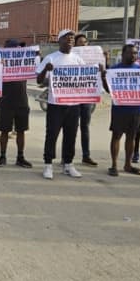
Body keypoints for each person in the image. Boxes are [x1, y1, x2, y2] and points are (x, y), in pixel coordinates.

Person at [36, 29, 86, 180]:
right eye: (67, 37)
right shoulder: (51, 58)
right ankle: (48, 165)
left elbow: (85, 79)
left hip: (74, 104)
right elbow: (39, 81)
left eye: (72, 37)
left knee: (71, 135)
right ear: (59, 41)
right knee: (52, 134)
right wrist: (46, 70)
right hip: (56, 104)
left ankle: (68, 164)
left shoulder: (78, 60)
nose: (70, 40)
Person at [102, 44, 140, 177]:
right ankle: (114, 165)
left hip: (137, 110)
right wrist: (104, 78)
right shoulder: (114, 70)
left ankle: (128, 164)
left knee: (132, 137)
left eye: (135, 53)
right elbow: (109, 90)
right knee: (117, 136)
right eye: (131, 53)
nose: (133, 56)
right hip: (120, 109)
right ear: (123, 54)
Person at [0, 39, 32, 169]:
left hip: (22, 101)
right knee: (4, 131)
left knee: (21, 131)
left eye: (20, 48)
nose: (19, 50)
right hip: (5, 101)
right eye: (16, 48)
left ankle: (20, 157)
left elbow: (38, 74)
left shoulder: (25, 62)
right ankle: (2, 156)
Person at [73, 33, 98, 167]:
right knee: (70, 128)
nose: (83, 44)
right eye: (80, 42)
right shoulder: (70, 56)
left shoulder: (93, 57)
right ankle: (67, 156)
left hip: (87, 96)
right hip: (72, 97)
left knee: (85, 127)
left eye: (85, 42)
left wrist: (103, 63)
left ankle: (86, 156)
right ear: (75, 45)